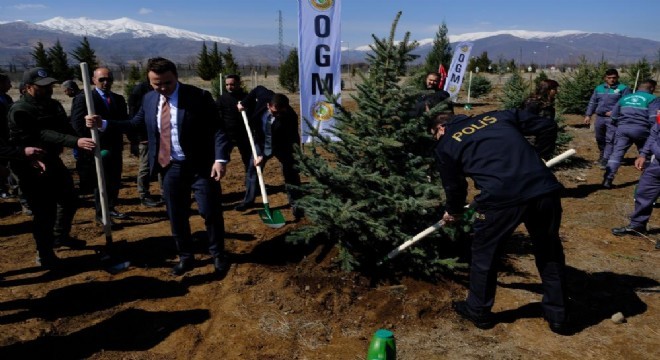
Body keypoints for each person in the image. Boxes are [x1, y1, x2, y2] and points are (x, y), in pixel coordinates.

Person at [86, 57, 231, 277]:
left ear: (176, 77)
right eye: (156, 84)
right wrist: (103, 124)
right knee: (176, 214)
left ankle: (218, 254)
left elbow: (219, 129)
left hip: (201, 166)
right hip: (170, 167)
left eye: (167, 83)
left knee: (210, 212)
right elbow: (135, 124)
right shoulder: (149, 99)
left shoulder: (198, 97)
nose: (162, 88)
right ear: (149, 81)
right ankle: (186, 257)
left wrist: (220, 160)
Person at [430, 109, 569, 334]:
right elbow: (547, 126)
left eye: (435, 135)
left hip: (501, 200)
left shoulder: (446, 144)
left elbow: (455, 187)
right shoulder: (499, 115)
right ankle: (558, 315)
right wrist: (540, 158)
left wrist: (453, 211)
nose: (437, 139)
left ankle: (478, 311)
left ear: (440, 128)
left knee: (485, 254)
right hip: (543, 190)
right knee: (549, 249)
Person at [7, 67, 95, 268]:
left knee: (70, 200)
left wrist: (83, 133)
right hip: (30, 166)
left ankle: (60, 236)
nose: (48, 90)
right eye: (42, 87)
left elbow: (64, 126)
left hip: (52, 160)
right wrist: (75, 142)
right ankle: (44, 252)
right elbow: (42, 133)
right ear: (28, 87)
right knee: (44, 211)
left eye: (50, 86)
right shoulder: (21, 109)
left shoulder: (53, 105)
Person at [71, 67, 129, 223]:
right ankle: (101, 213)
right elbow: (76, 124)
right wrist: (87, 129)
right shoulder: (84, 98)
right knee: (101, 182)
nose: (106, 82)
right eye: (102, 79)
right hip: (96, 147)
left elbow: (125, 122)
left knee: (115, 180)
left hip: (115, 146)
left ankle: (110, 207)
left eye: (109, 79)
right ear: (93, 80)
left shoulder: (118, 99)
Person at [236, 90, 303, 219]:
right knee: (252, 168)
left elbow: (282, 140)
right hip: (261, 141)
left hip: (284, 145)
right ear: (268, 105)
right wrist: (244, 103)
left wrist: (265, 155)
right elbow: (257, 89)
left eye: (280, 112)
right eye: (274, 112)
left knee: (291, 172)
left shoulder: (290, 117)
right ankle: (248, 201)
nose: (277, 115)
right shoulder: (265, 96)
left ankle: (296, 203)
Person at [603, 80, 660, 188]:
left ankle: (607, 179)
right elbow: (654, 120)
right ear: (652, 88)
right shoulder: (653, 99)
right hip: (642, 130)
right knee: (645, 154)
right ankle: (647, 181)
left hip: (623, 129)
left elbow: (613, 116)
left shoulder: (625, 98)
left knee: (616, 154)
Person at [612, 121, 660, 243]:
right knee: (644, 192)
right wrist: (643, 154)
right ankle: (638, 225)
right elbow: (654, 134)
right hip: (657, 164)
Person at [215, 74, 251, 211]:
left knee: (249, 163)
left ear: (239, 84)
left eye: (232, 84)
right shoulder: (222, 99)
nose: (230, 87)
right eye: (227, 85)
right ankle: (215, 192)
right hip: (227, 136)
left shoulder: (246, 97)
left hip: (244, 135)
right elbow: (216, 115)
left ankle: (250, 187)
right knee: (220, 162)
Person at [583, 69, 632, 168]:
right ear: (605, 78)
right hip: (600, 117)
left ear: (617, 78)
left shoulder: (623, 88)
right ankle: (602, 154)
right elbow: (593, 102)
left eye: (614, 78)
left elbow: (626, 104)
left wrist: (615, 112)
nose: (612, 80)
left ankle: (606, 159)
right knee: (599, 138)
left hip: (613, 119)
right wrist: (588, 115)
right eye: (609, 78)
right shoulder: (599, 88)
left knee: (610, 139)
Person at [128, 80, 163, 207]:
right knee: (146, 167)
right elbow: (134, 116)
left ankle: (165, 193)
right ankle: (144, 195)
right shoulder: (140, 91)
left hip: (161, 136)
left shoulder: (162, 87)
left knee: (163, 165)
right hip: (146, 137)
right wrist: (137, 138)